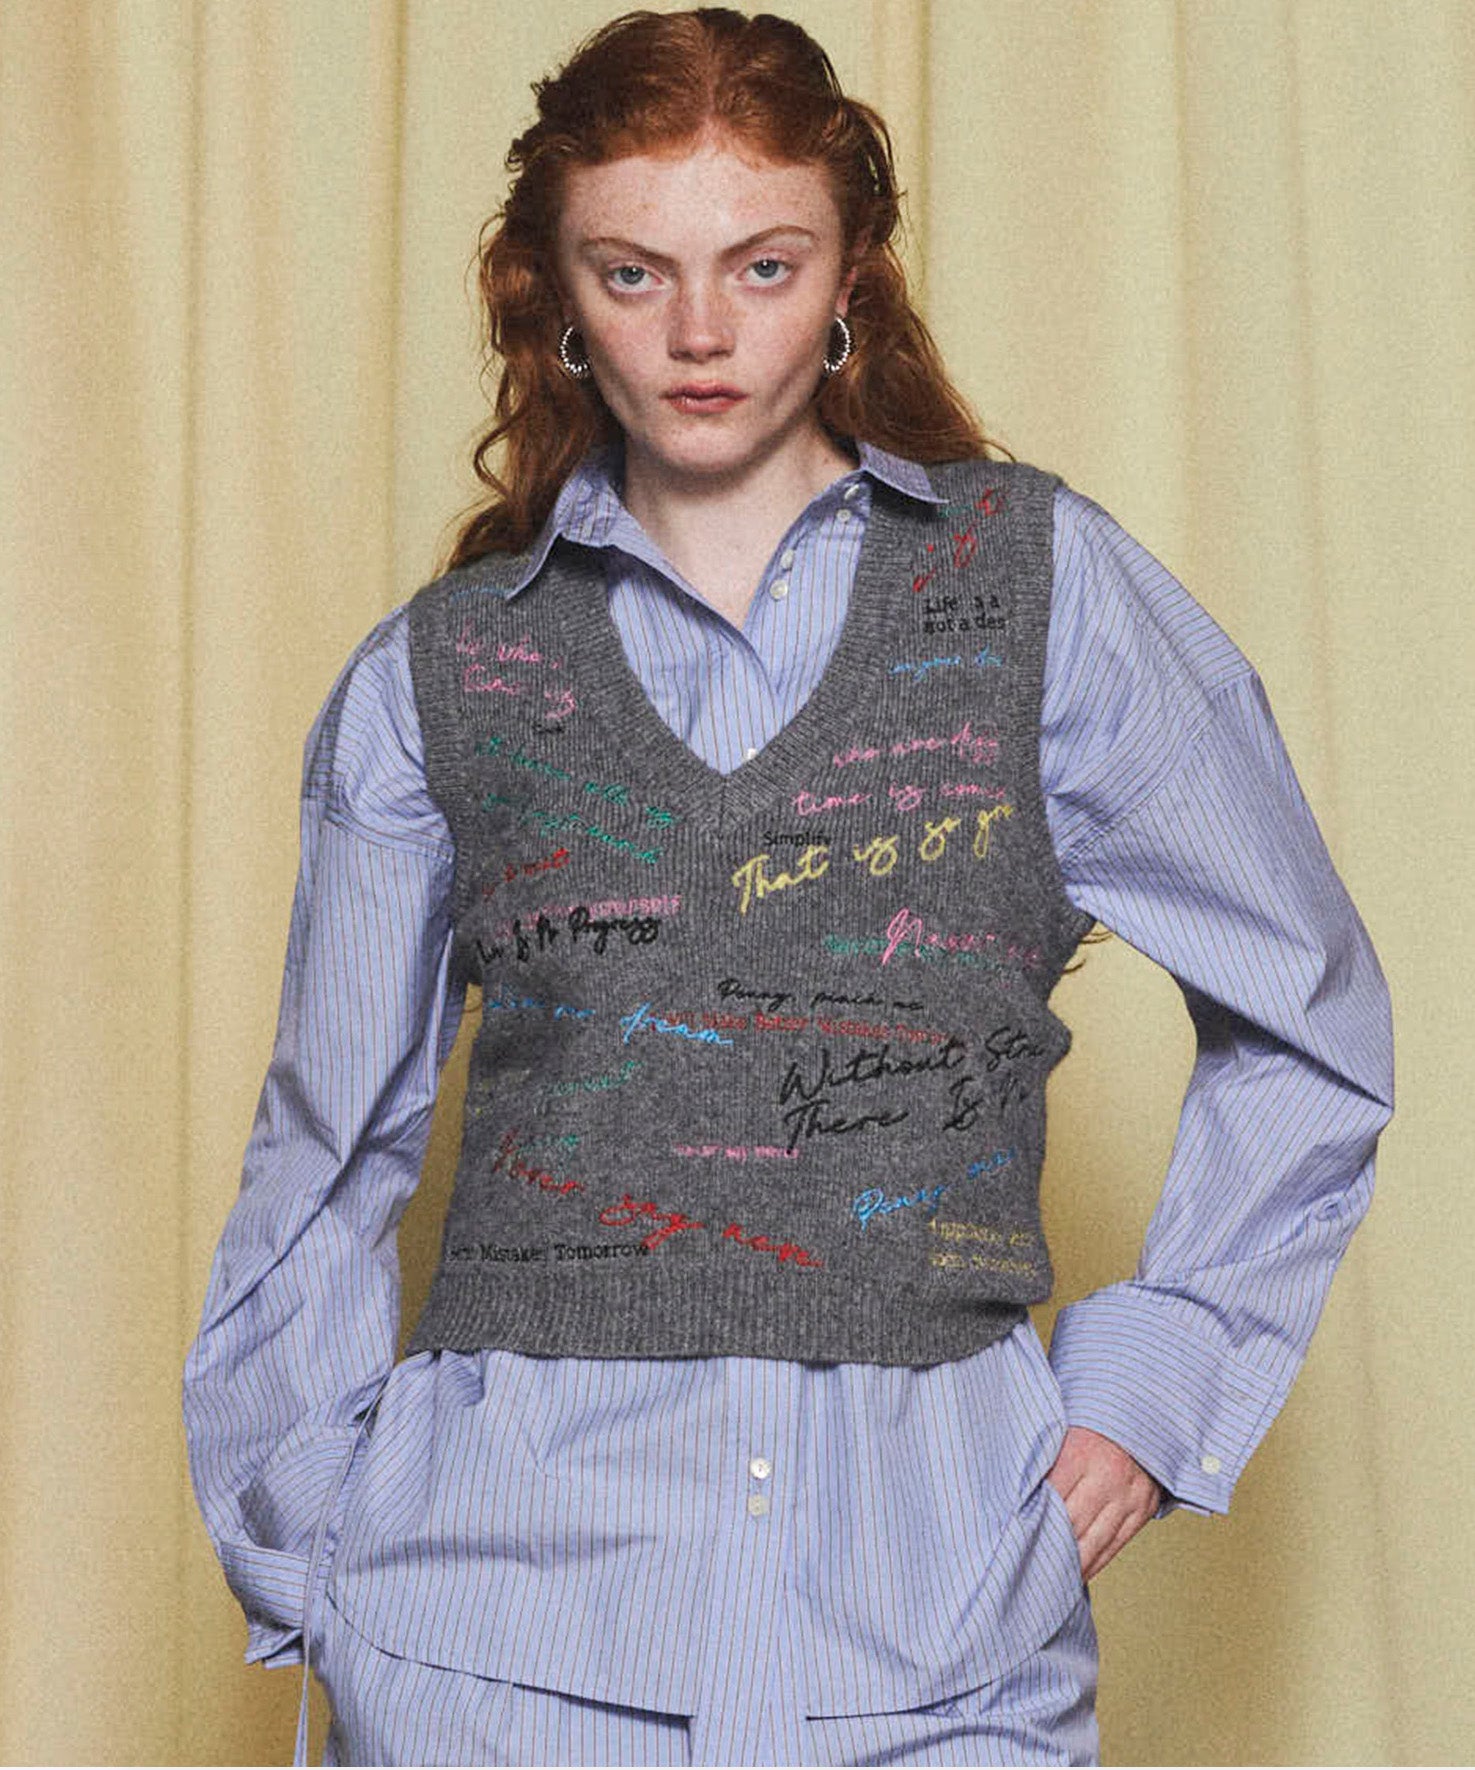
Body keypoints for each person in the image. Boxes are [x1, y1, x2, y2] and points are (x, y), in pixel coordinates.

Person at [182, 9, 1394, 1766]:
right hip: (488, 1644)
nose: (699, 332)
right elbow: (321, 1155)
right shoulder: (436, 678)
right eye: (632, 271)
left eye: (762, 265)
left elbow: (1309, 1014)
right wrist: (320, 1536)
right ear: (552, 294)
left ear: (849, 282)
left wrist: (1154, 1389)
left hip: (943, 1636)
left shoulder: (1039, 598)